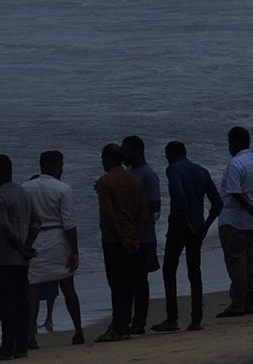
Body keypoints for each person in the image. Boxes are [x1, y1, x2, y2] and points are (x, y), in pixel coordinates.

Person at [153, 141, 221, 332]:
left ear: (173, 153)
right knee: (194, 271)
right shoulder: (201, 170)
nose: (166, 157)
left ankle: (172, 319)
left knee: (169, 270)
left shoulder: (173, 169)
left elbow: (180, 196)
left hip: (180, 225)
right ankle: (196, 319)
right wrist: (205, 225)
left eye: (167, 154)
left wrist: (183, 221)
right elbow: (217, 204)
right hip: (198, 226)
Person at [23, 152, 87, 346]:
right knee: (68, 287)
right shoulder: (63, 189)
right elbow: (69, 222)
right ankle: (78, 331)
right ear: (57, 166)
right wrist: (74, 250)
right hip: (58, 239)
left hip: (34, 240)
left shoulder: (25, 188)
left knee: (32, 290)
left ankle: (30, 336)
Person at [0, 154, 39, 361]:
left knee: (4, 303)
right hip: (21, 258)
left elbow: (3, 226)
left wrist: (20, 245)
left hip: (4, 256)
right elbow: (36, 222)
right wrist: (27, 245)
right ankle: (21, 346)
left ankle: (7, 347)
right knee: (20, 301)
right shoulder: (23, 192)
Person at [93, 143, 148, 342]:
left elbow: (108, 217)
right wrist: (134, 237)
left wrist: (121, 238)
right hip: (133, 237)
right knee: (129, 283)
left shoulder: (105, 181)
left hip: (115, 240)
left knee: (117, 284)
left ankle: (119, 326)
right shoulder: (135, 180)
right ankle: (123, 323)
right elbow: (144, 214)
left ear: (107, 159)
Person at [216, 126, 253, 318]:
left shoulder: (235, 163)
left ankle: (237, 303)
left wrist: (250, 207)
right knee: (251, 260)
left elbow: (235, 192)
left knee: (236, 261)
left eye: (230, 142)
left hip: (234, 219)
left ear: (235, 142)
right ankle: (249, 302)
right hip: (252, 221)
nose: (229, 146)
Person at [120, 135, 161, 335]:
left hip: (143, 236)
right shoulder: (131, 173)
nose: (123, 154)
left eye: (126, 151)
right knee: (130, 280)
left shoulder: (147, 175)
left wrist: (131, 210)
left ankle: (139, 321)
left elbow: (155, 204)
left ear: (137, 151)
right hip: (131, 235)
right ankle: (130, 319)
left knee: (139, 280)